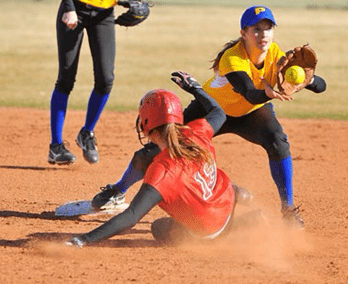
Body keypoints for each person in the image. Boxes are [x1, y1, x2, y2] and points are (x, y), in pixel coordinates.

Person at [90, 5, 327, 228]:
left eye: (268, 28)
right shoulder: (232, 58)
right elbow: (248, 92)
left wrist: (308, 81)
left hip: (251, 113)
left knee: (278, 142)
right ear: (243, 33)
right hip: (211, 110)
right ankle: (118, 189)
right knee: (163, 146)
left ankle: (288, 208)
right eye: (256, 29)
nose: (263, 34)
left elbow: (322, 87)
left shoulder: (277, 56)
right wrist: (269, 93)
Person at [66, 71, 243, 248]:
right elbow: (219, 112)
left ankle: (242, 224)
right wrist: (195, 88)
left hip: (209, 231)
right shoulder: (196, 132)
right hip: (225, 200)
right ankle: (238, 196)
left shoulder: (162, 170)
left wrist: (84, 239)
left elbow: (131, 216)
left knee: (160, 228)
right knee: (209, 183)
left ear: (146, 126)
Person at [48, 0, 117, 165]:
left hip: (104, 13)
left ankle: (86, 133)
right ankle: (56, 147)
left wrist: (136, 4)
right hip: (75, 8)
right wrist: (69, 8)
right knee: (66, 79)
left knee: (106, 79)